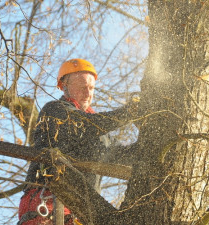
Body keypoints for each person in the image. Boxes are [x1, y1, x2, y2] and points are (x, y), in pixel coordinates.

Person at [18, 59, 138, 224]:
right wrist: (130, 112)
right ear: (65, 85)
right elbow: (84, 125)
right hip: (46, 199)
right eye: (82, 87)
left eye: (91, 88)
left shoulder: (99, 133)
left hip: (82, 209)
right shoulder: (54, 111)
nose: (88, 93)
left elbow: (123, 154)